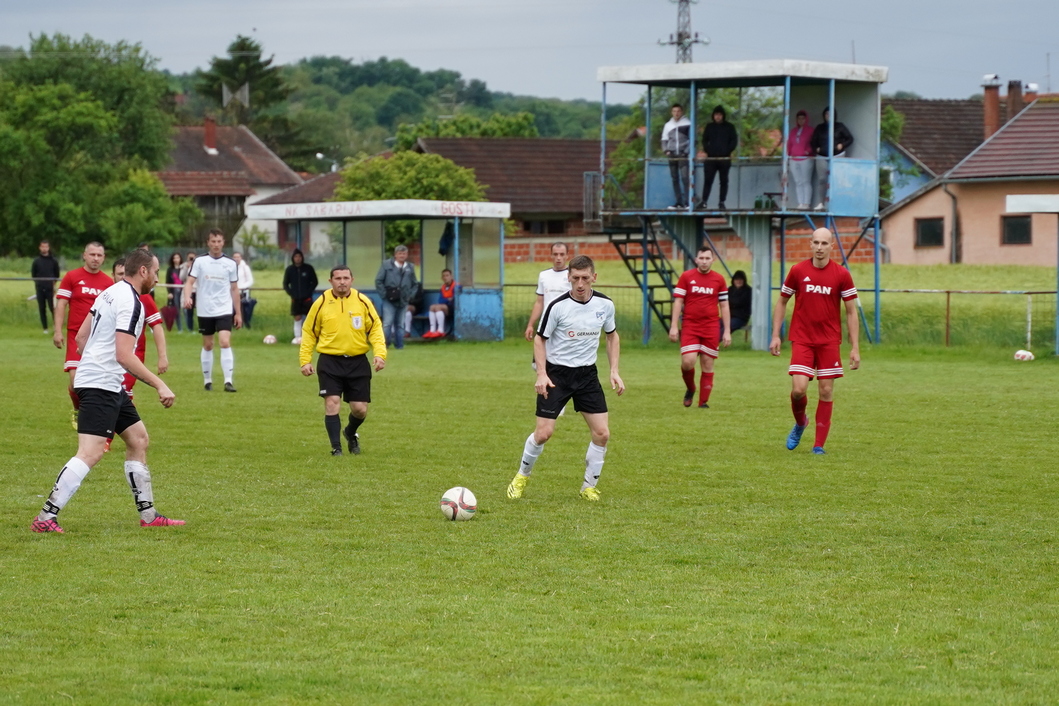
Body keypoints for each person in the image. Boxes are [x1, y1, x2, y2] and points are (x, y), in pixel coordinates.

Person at [30, 248, 183, 533]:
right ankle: (45, 517)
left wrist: (92, 364)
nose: (159, 279)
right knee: (91, 452)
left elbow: (82, 336)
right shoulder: (132, 302)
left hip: (107, 382)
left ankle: (148, 516)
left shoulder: (109, 292)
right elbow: (125, 355)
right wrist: (160, 383)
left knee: (138, 439)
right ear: (143, 272)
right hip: (102, 383)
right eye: (157, 272)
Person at [506, 255, 625, 502]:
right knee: (543, 433)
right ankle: (521, 476)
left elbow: (612, 336)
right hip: (557, 374)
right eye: (575, 278)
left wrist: (614, 370)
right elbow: (540, 339)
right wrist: (541, 373)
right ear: (568, 278)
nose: (580, 284)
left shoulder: (605, 304)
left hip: (587, 375)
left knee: (602, 433)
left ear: (594, 277)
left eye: (584, 278)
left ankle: (588, 486)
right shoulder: (557, 306)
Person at [769, 227, 860, 454]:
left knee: (826, 390)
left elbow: (851, 312)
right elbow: (782, 302)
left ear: (832, 246)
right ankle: (801, 423)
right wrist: (775, 335)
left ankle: (818, 445)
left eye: (824, 243)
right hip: (802, 339)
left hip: (829, 341)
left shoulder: (842, 274)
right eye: (816, 243)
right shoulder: (798, 271)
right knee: (799, 390)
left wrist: (855, 347)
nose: (820, 247)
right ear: (810, 244)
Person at [299, 266, 386, 456]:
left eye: (346, 278)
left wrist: (380, 354)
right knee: (332, 403)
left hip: (357, 362)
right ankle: (336, 448)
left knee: (360, 409)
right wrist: (305, 360)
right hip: (330, 361)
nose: (342, 282)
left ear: (352, 280)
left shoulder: (362, 301)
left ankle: (349, 432)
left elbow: (375, 328)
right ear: (330, 281)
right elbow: (308, 332)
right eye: (337, 278)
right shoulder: (321, 302)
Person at [54, 242, 113, 430]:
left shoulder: (108, 283)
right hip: (75, 335)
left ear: (103, 258)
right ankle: (77, 409)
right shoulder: (72, 277)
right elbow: (62, 304)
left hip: (98, 338)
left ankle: (92, 418)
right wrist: (57, 331)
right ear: (84, 256)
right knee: (75, 381)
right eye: (92, 254)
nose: (96, 258)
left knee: (96, 382)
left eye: (99, 255)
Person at [668, 248, 731, 409]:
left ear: (712, 260)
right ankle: (691, 388)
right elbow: (678, 302)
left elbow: (724, 305)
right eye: (701, 258)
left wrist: (727, 331)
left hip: (711, 326)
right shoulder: (686, 277)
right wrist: (674, 326)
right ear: (696, 260)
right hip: (690, 325)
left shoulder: (719, 279)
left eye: (707, 258)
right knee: (688, 362)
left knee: (707, 363)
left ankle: (703, 402)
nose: (704, 261)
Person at [182, 229, 241, 392]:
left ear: (223, 243)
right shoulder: (200, 262)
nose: (216, 244)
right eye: (213, 241)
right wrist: (188, 297)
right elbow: (189, 282)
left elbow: (235, 289)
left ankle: (228, 381)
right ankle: (207, 380)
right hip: (205, 309)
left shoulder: (230, 264)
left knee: (224, 341)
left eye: (219, 241)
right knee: (208, 345)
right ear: (208, 243)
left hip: (224, 308)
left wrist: (238, 313)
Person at [112, 258, 168, 403]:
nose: (122, 277)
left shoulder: (143, 298)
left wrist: (162, 357)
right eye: (119, 274)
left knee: (122, 391)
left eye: (125, 273)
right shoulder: (109, 296)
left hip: (132, 356)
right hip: (109, 357)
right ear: (113, 276)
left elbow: (156, 326)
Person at [524, 242, 571, 345]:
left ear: (567, 255)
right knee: (541, 352)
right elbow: (539, 302)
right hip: (547, 321)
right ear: (551, 255)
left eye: (562, 254)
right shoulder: (544, 275)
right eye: (555, 254)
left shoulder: (573, 276)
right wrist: (530, 325)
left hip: (566, 323)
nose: (558, 258)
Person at [810, 107, 854, 210]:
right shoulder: (820, 128)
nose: (828, 116)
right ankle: (821, 203)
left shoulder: (840, 126)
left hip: (837, 156)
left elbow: (850, 138)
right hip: (822, 156)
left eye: (830, 114)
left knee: (837, 179)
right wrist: (816, 149)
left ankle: (836, 202)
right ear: (824, 115)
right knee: (822, 180)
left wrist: (842, 145)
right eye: (826, 114)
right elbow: (813, 141)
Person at [374, 244, 418, 350]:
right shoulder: (386, 265)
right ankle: (386, 344)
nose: (402, 256)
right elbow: (378, 281)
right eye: (399, 253)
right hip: (389, 299)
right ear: (395, 255)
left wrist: (410, 296)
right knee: (387, 324)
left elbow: (415, 283)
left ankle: (399, 345)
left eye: (404, 253)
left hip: (403, 299)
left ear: (407, 255)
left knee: (400, 324)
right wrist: (384, 295)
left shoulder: (410, 267)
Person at [697, 105, 738, 210]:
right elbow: (704, 140)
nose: (718, 117)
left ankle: (721, 202)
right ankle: (704, 202)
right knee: (708, 180)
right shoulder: (709, 127)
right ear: (713, 116)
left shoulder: (729, 127)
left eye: (720, 115)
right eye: (716, 115)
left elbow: (734, 141)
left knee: (724, 181)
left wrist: (727, 151)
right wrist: (708, 150)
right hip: (711, 158)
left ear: (723, 116)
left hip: (724, 159)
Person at [284, 248, 318, 345]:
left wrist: (308, 292)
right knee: (297, 317)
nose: (298, 258)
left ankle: (310, 338)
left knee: (309, 318)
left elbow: (314, 282)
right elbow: (285, 284)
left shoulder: (308, 268)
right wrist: (292, 293)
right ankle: (297, 338)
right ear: (293, 258)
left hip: (307, 298)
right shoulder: (290, 270)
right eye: (296, 257)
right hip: (295, 299)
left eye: (299, 256)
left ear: (302, 258)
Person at [661, 103, 692, 209]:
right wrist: (666, 151)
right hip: (672, 155)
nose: (676, 113)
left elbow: (693, 140)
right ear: (671, 112)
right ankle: (679, 202)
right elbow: (664, 139)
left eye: (678, 111)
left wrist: (687, 151)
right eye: (674, 111)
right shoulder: (668, 125)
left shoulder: (688, 123)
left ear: (682, 112)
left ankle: (688, 203)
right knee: (675, 178)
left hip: (683, 155)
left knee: (685, 178)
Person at [32, 240, 61, 334]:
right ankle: (45, 328)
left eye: (46, 247)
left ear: (48, 248)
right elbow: (34, 274)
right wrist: (39, 283)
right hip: (40, 288)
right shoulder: (36, 261)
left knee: (53, 307)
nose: (44, 248)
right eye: (42, 246)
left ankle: (56, 326)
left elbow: (57, 274)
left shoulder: (53, 261)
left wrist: (53, 284)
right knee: (42, 307)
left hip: (50, 288)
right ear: (40, 248)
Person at [786, 109, 814, 210]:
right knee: (798, 182)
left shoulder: (811, 130)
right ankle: (800, 203)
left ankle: (806, 203)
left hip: (805, 159)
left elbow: (814, 143)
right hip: (794, 159)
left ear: (806, 119)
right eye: (799, 118)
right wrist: (788, 155)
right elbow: (789, 144)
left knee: (806, 181)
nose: (801, 120)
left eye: (803, 118)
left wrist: (808, 151)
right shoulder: (793, 131)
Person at [423, 269, 457, 339]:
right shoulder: (443, 287)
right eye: (443, 276)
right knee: (432, 307)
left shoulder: (456, 286)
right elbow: (440, 300)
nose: (445, 277)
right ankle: (432, 330)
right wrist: (448, 299)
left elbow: (454, 299)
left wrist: (448, 300)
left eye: (447, 275)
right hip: (445, 306)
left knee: (438, 307)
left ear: (451, 276)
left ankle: (440, 330)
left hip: (455, 308)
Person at [726, 269, 752, 335]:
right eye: (736, 279)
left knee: (727, 328)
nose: (738, 281)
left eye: (741, 279)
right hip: (729, 316)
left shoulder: (748, 291)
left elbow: (738, 302)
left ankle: (712, 344)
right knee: (716, 325)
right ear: (733, 280)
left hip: (740, 318)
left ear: (744, 280)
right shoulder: (730, 289)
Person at [233, 252, 256, 329]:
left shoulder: (245, 267)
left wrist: (241, 287)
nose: (236, 259)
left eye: (238, 257)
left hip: (243, 292)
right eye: (234, 257)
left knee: (243, 310)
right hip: (232, 292)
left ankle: (245, 324)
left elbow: (250, 281)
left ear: (241, 258)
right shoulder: (230, 267)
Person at [165, 252, 185, 332]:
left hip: (183, 290)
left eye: (178, 258)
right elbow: (168, 282)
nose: (176, 259)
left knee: (184, 310)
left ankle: (188, 327)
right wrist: (170, 292)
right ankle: (179, 328)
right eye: (174, 258)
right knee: (176, 309)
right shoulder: (170, 269)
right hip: (174, 291)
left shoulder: (183, 269)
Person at [179, 251, 197, 331]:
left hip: (197, 291)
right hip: (189, 291)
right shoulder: (184, 266)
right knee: (189, 311)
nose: (191, 259)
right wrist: (186, 267)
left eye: (193, 258)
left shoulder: (199, 266)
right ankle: (190, 328)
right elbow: (181, 278)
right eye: (190, 258)